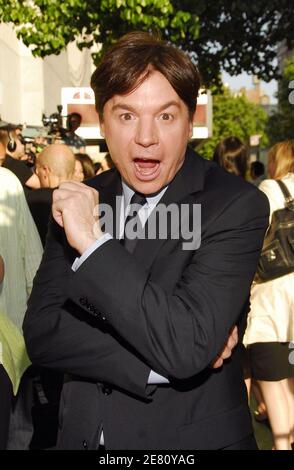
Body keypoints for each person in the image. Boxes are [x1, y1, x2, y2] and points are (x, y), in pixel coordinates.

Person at [23, 32, 269, 450]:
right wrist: (167, 359)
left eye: (166, 116)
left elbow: (185, 344)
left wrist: (94, 246)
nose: (146, 137)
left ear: (191, 122)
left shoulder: (235, 204)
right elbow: (43, 333)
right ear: (103, 122)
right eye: (126, 116)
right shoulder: (80, 200)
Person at [244, 140, 294, 450]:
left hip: (274, 300)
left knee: (275, 381)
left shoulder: (271, 190)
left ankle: (283, 442)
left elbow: (251, 239)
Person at [27, 144, 76, 246]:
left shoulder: (31, 200)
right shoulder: (90, 198)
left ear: (46, 170)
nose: (36, 174)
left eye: (37, 170)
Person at [0, 125, 40, 190]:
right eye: (20, 140)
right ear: (12, 145)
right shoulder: (13, 164)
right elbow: (40, 184)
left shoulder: (6, 161)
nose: (23, 144)